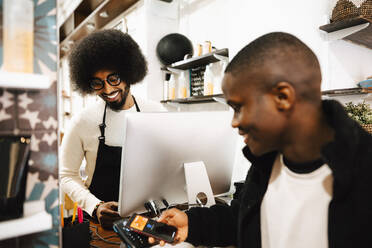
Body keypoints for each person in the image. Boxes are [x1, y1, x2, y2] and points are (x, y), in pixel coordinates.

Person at [153, 32, 372, 248]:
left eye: (238, 108)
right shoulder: (269, 161)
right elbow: (249, 217)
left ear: (283, 97)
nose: (234, 122)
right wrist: (193, 224)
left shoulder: (363, 176)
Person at [60, 29, 165, 229]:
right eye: (98, 83)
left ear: (129, 74)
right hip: (102, 227)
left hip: (149, 222)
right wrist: (95, 206)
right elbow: (67, 175)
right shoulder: (83, 121)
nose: (108, 90)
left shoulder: (156, 112)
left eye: (114, 79)